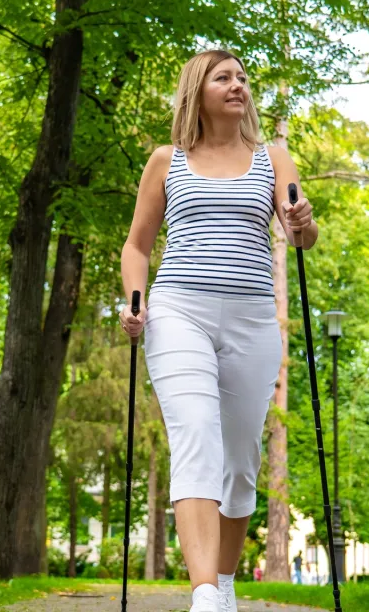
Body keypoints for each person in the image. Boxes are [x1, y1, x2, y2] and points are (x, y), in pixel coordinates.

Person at [119, 49, 319, 612]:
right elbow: (137, 246)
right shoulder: (168, 160)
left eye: (242, 78)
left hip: (253, 318)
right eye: (223, 77)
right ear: (197, 91)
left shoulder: (274, 158)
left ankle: (225, 582)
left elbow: (301, 235)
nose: (238, 86)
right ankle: (204, 595)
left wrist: (303, 225)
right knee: (197, 440)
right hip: (180, 311)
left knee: (239, 461)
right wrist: (134, 300)